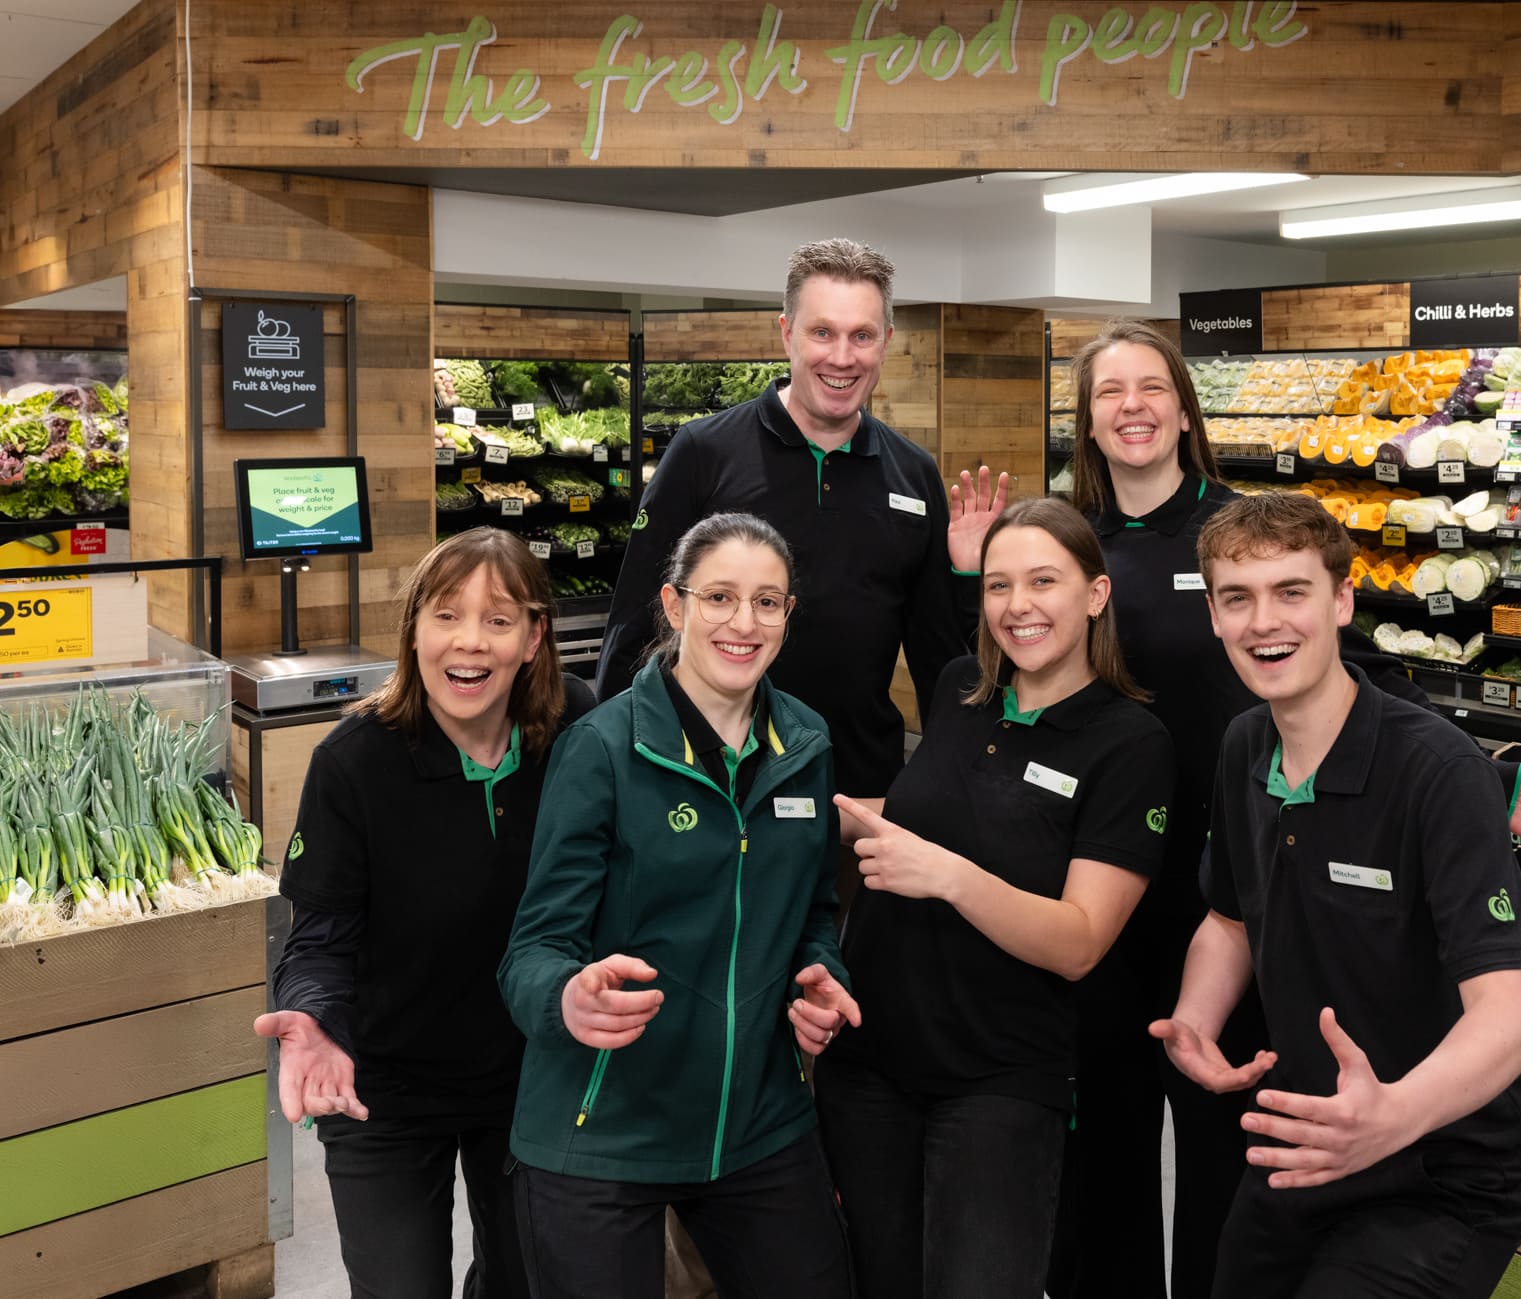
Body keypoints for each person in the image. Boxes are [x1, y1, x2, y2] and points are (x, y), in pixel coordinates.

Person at [931, 320, 1521, 1299]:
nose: (1133, 407)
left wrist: (1484, 779)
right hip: (1105, 886)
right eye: (1110, 393)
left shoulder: (1242, 529)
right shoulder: (1073, 546)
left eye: (1152, 386)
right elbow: (1011, 669)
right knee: (1102, 1128)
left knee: (1228, 1138)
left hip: (1241, 881)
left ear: (1184, 408)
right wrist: (965, 576)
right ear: (1087, 419)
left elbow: (1354, 681)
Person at [1155, 491, 1521, 1297]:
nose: (1265, 622)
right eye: (1238, 598)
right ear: (1216, 618)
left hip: (1439, 1177)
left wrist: (1390, 1116)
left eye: (1291, 592)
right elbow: (1229, 918)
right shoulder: (1244, 745)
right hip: (1308, 1144)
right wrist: (1196, 1018)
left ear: (1341, 601)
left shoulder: (1438, 771)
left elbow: (1507, 1022)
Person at [815, 497, 1177, 1299]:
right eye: (999, 584)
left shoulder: (1129, 743)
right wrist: (817, 813)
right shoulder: (957, 688)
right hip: (871, 1059)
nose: (1018, 606)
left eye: (1044, 580)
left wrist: (945, 873)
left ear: (1095, 594)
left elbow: (1081, 939)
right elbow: (921, 814)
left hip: (998, 1078)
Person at [498, 513, 856, 1299]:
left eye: (768, 601)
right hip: (602, 1127)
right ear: (673, 603)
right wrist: (567, 996)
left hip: (758, 1122)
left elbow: (813, 914)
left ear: (789, 615)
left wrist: (819, 976)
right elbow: (532, 949)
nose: (743, 621)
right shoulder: (602, 749)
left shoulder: (806, 744)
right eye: (720, 596)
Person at [256, 528, 595, 1299]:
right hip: (382, 1086)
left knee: (527, 1281)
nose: (469, 641)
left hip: (528, 1076)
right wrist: (313, 1021)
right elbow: (318, 941)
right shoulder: (354, 762)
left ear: (536, 636)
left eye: (499, 619)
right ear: (413, 629)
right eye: (446, 615)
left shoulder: (576, 726)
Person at [596, 237, 998, 825]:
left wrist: (955, 772)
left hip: (859, 788)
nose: (842, 357)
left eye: (862, 335)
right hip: (712, 784)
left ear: (886, 342)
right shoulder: (704, 453)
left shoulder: (914, 474)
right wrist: (617, 772)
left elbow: (941, 653)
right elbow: (636, 625)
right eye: (822, 332)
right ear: (786, 332)